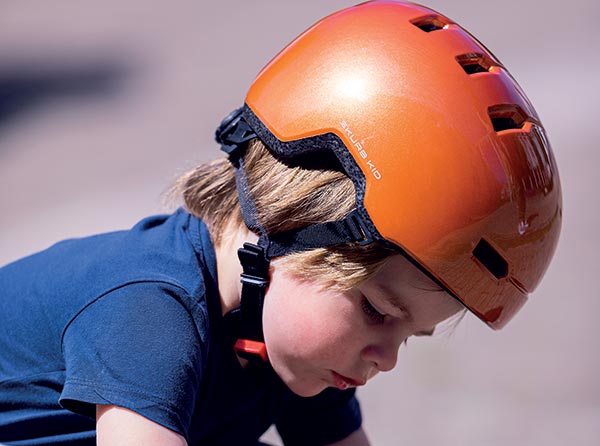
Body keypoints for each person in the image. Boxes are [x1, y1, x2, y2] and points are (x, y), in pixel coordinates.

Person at [0, 1, 562, 445]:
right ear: (291, 227)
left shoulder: (281, 336)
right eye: (378, 312)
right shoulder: (149, 315)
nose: (387, 358)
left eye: (410, 336)